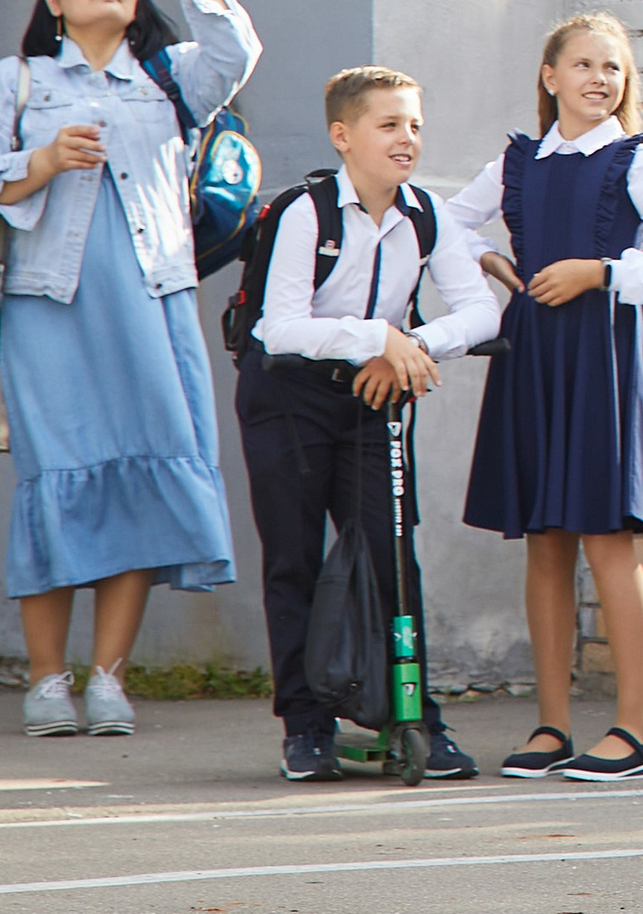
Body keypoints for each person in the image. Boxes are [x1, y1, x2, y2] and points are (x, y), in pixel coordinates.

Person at [0, 0, 259, 739]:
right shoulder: (21, 81)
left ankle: (109, 676)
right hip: (52, 304)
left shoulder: (168, 74)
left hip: (152, 297)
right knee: (59, 479)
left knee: (144, 475)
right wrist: (39, 160)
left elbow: (238, 51)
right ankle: (48, 679)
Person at [451, 12, 643, 783]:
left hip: (604, 355)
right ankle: (552, 724)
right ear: (549, 75)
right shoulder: (518, 162)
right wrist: (496, 263)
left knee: (607, 538)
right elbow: (448, 224)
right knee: (544, 539)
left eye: (615, 68)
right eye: (587, 65)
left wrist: (602, 272)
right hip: (535, 354)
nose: (602, 79)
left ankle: (637, 728)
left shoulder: (639, 162)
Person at [241, 67, 500, 780]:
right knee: (295, 561)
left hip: (373, 395)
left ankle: (413, 716)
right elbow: (281, 325)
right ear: (343, 135)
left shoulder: (426, 213)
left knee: (389, 558)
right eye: (389, 125)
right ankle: (306, 726)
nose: (406, 138)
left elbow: (481, 311)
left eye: (414, 124)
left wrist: (410, 346)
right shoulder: (307, 211)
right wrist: (374, 337)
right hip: (289, 396)